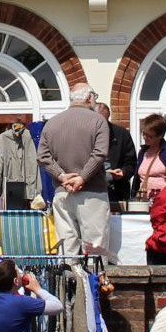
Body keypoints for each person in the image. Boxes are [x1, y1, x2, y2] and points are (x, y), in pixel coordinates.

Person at [39, 90, 111, 257]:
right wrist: (82, 177)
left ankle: (67, 274)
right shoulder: (98, 121)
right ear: (89, 97)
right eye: (95, 96)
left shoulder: (52, 123)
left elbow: (42, 156)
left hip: (62, 192)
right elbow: (100, 154)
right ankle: (92, 275)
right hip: (92, 193)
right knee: (94, 250)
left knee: (66, 249)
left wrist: (61, 176)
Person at [136, 113, 166, 202]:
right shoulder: (143, 152)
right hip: (145, 200)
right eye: (144, 134)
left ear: (160, 136)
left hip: (165, 200)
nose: (145, 137)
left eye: (150, 136)